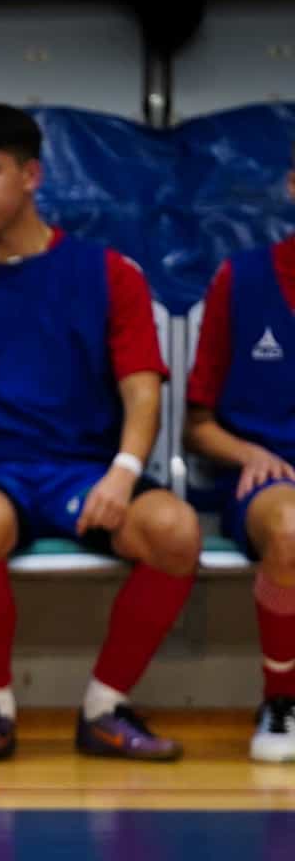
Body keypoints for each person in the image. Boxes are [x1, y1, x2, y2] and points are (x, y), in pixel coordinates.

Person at [0, 103, 201, 763]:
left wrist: (125, 471)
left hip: (87, 468)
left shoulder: (108, 272)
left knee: (175, 532)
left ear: (32, 174)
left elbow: (142, 386)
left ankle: (103, 708)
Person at [183, 142, 295, 763]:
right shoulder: (243, 278)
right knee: (291, 527)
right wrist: (247, 450)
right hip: (268, 479)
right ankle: (281, 702)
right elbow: (196, 427)